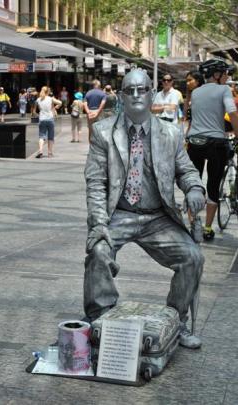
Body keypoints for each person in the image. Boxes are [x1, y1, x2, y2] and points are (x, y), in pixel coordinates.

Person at [84, 69, 206, 349]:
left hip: (157, 218)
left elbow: (185, 170)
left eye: (142, 90)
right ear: (121, 95)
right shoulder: (103, 132)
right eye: (130, 91)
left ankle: (177, 321)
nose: (137, 96)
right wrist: (99, 224)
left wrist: (195, 188)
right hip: (120, 214)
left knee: (192, 257)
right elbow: (95, 183)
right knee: (99, 251)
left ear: (152, 93)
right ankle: (101, 319)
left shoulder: (170, 133)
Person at [187, 59, 238, 241]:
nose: (227, 77)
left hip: (194, 142)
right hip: (215, 143)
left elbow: (193, 117)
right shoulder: (223, 90)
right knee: (213, 186)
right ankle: (208, 228)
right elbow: (232, 113)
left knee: (194, 183)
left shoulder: (196, 92)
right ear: (216, 75)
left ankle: (193, 222)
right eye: (225, 73)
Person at [35, 86, 61, 158]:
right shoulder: (51, 99)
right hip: (50, 119)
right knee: (50, 137)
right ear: (48, 92)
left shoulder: (38, 100)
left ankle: (40, 150)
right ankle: (50, 153)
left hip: (42, 119)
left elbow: (37, 109)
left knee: (41, 136)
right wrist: (57, 107)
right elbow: (60, 102)